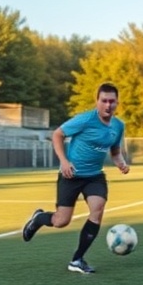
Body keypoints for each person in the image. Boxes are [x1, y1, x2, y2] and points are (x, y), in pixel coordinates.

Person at [21, 83, 129, 274]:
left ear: (117, 103)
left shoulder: (118, 126)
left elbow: (115, 151)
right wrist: (63, 161)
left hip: (95, 176)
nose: (108, 105)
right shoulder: (85, 120)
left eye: (112, 101)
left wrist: (120, 162)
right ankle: (39, 219)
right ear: (97, 101)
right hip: (71, 175)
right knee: (61, 221)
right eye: (104, 100)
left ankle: (77, 260)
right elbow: (58, 134)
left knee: (98, 208)